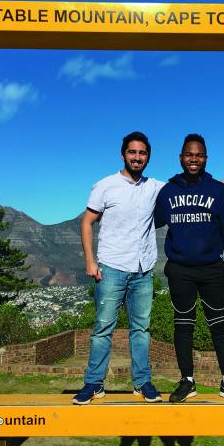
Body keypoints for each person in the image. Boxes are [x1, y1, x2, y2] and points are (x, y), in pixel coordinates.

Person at [154, 133, 224, 404]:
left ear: (206, 158)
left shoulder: (218, 191)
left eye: (198, 155)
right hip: (180, 270)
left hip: (212, 269)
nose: (193, 159)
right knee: (183, 325)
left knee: (219, 325)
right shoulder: (168, 191)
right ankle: (187, 381)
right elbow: (151, 218)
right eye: (189, 154)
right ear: (181, 157)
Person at [73, 131, 164, 405]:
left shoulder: (155, 187)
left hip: (143, 269)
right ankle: (93, 383)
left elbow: (186, 186)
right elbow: (87, 222)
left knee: (141, 329)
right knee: (102, 328)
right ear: (123, 154)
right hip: (111, 267)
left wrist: (216, 185)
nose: (137, 157)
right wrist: (90, 260)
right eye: (132, 152)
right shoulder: (105, 185)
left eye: (143, 153)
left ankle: (142, 382)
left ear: (148, 157)